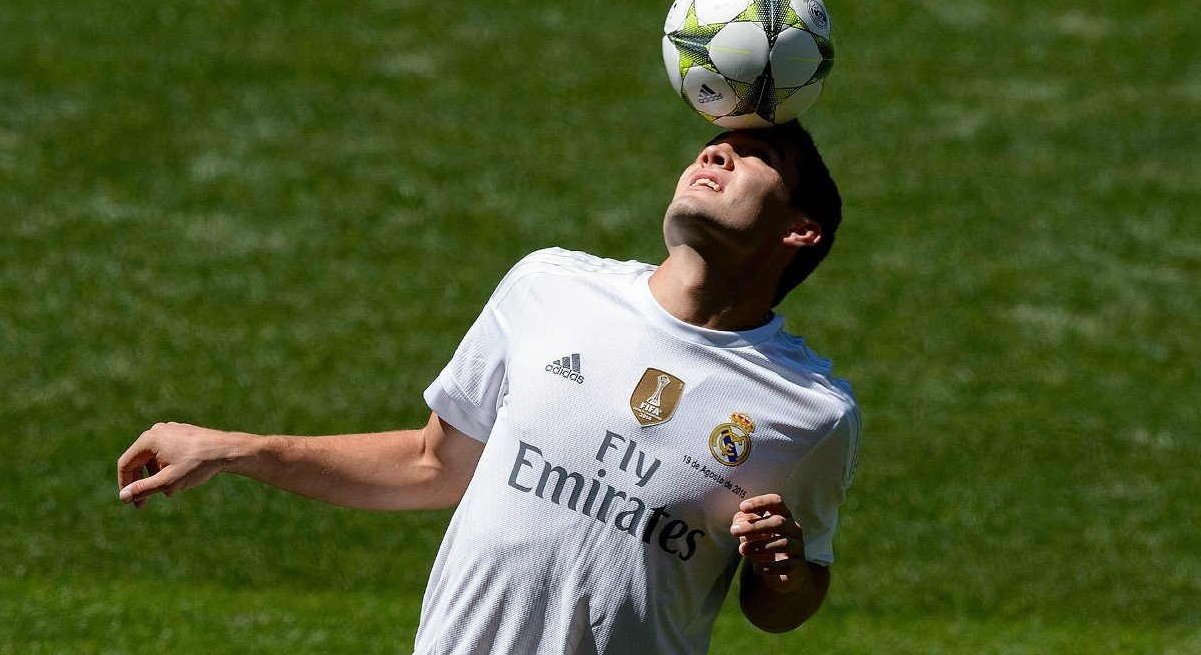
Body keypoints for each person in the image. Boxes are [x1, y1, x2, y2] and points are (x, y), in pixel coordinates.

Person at [117, 121, 860, 654]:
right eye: (715, 144)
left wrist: (785, 575)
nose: (715, 152)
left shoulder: (811, 411)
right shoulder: (549, 288)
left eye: (756, 155)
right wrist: (235, 450)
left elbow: (783, 606)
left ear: (800, 228)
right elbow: (432, 463)